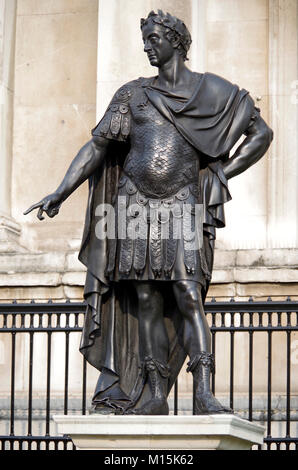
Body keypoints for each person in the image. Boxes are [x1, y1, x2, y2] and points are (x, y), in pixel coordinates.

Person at [24, 10, 273, 415]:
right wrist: (60, 191)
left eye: (153, 38)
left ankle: (204, 393)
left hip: (183, 204)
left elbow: (260, 134)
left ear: (176, 40)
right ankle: (155, 394)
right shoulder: (131, 94)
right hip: (134, 204)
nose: (146, 45)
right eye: (144, 39)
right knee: (145, 299)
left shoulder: (212, 92)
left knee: (189, 295)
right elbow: (98, 147)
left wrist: (221, 174)